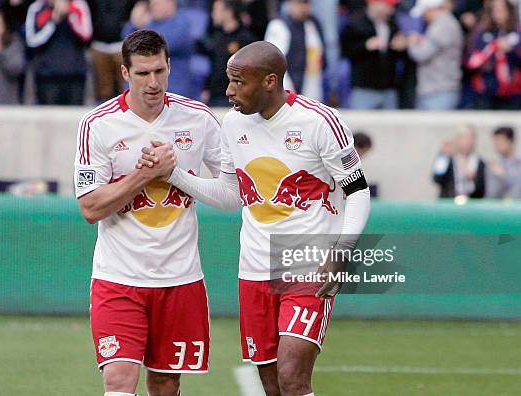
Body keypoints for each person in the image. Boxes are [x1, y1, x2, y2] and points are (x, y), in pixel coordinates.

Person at [138, 41, 371, 396]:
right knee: (272, 383)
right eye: (228, 81)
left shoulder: (319, 121)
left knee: (293, 375)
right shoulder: (233, 125)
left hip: (306, 265)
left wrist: (343, 250)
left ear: (270, 82)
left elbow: (358, 191)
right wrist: (174, 175)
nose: (229, 90)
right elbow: (232, 196)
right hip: (254, 269)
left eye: (238, 82)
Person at [74, 29, 221, 396]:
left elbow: (232, 191)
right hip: (118, 278)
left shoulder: (199, 119)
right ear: (125, 73)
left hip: (179, 278)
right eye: (142, 73)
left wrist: (176, 175)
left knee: (166, 385)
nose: (152, 82)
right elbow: (90, 207)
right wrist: (144, 175)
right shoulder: (99, 125)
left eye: (159, 71)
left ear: (170, 66)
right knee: (119, 381)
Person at [341, 0, 408, 109]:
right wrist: (365, 46)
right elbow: (345, 51)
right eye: (388, 6)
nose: (391, 10)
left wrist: (402, 46)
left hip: (388, 88)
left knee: (391, 125)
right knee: (361, 124)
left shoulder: (392, 24)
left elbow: (398, 56)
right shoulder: (355, 22)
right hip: (364, 88)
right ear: (375, 4)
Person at [122, 0, 197, 98]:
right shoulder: (152, 22)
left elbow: (158, 45)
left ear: (170, 3)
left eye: (157, 4)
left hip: (175, 88)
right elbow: (126, 42)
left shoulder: (182, 24)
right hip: (144, 89)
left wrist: (143, 25)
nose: (153, 8)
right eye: (152, 5)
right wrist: (133, 22)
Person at [25, 0, 92, 105]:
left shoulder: (79, 5)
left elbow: (86, 35)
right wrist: (53, 21)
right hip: (47, 77)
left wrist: (70, 14)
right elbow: (32, 41)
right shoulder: (37, 7)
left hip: (74, 75)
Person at [265, 0, 326, 101]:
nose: (303, 7)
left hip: (311, 87)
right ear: (289, 3)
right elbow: (273, 63)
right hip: (286, 92)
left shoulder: (313, 24)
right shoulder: (279, 25)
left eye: (306, 3)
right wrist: (287, 94)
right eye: (299, 3)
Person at [408, 0, 464, 110]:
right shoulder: (444, 23)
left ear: (431, 9)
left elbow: (421, 54)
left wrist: (411, 42)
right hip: (437, 89)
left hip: (439, 90)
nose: (423, 17)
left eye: (424, 12)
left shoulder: (442, 25)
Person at [466, 0, 520, 110]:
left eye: (502, 9)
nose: (498, 13)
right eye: (495, 10)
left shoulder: (517, 32)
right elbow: (471, 60)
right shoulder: (481, 32)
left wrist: (512, 50)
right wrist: (490, 53)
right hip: (486, 91)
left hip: (513, 92)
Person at [200, 0, 256, 106]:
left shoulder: (246, 40)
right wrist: (206, 88)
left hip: (236, 97)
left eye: (215, 10)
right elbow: (214, 67)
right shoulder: (217, 38)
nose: (213, 15)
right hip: (215, 97)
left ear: (228, 12)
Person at [433, 125, 486, 198]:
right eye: (464, 138)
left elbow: (482, 189)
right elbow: (437, 178)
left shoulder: (480, 162)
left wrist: (474, 178)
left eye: (470, 138)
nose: (467, 142)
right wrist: (443, 156)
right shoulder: (448, 159)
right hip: (450, 201)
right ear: (457, 140)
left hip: (471, 203)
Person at [487, 126, 521, 198]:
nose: (497, 145)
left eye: (500, 141)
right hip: (500, 207)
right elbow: (491, 194)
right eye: (496, 142)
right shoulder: (494, 164)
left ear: (511, 140)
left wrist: (504, 175)